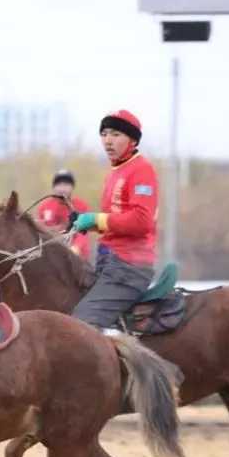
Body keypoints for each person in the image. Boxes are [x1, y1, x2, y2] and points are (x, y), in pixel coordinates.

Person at [69, 110, 159, 335]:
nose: (107, 140)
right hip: (109, 262)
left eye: (116, 134)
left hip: (128, 268)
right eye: (104, 134)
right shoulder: (116, 171)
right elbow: (118, 220)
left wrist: (97, 218)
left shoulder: (141, 169)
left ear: (133, 139)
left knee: (80, 328)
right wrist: (88, 223)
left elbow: (141, 220)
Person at [36, 169, 92, 259]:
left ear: (72, 187)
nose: (62, 188)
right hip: (50, 255)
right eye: (59, 185)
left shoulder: (81, 206)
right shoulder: (45, 207)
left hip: (76, 257)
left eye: (66, 185)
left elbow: (83, 233)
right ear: (54, 187)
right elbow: (39, 230)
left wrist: (75, 249)